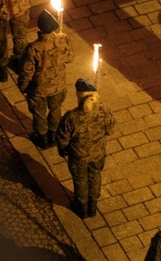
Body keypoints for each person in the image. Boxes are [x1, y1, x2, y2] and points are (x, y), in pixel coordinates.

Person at [57, 78, 117, 219]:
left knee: (80, 180)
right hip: (97, 154)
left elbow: (62, 137)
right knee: (95, 176)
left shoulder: (71, 117)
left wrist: (63, 149)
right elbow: (111, 129)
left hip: (79, 157)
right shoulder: (104, 111)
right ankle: (92, 207)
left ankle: (82, 208)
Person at [17, 10, 74, 150]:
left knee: (39, 113)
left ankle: (42, 138)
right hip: (58, 86)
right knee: (55, 110)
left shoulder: (33, 48)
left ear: (38, 29)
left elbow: (26, 71)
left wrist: (23, 86)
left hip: (39, 89)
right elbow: (70, 57)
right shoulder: (63, 38)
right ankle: (53, 136)